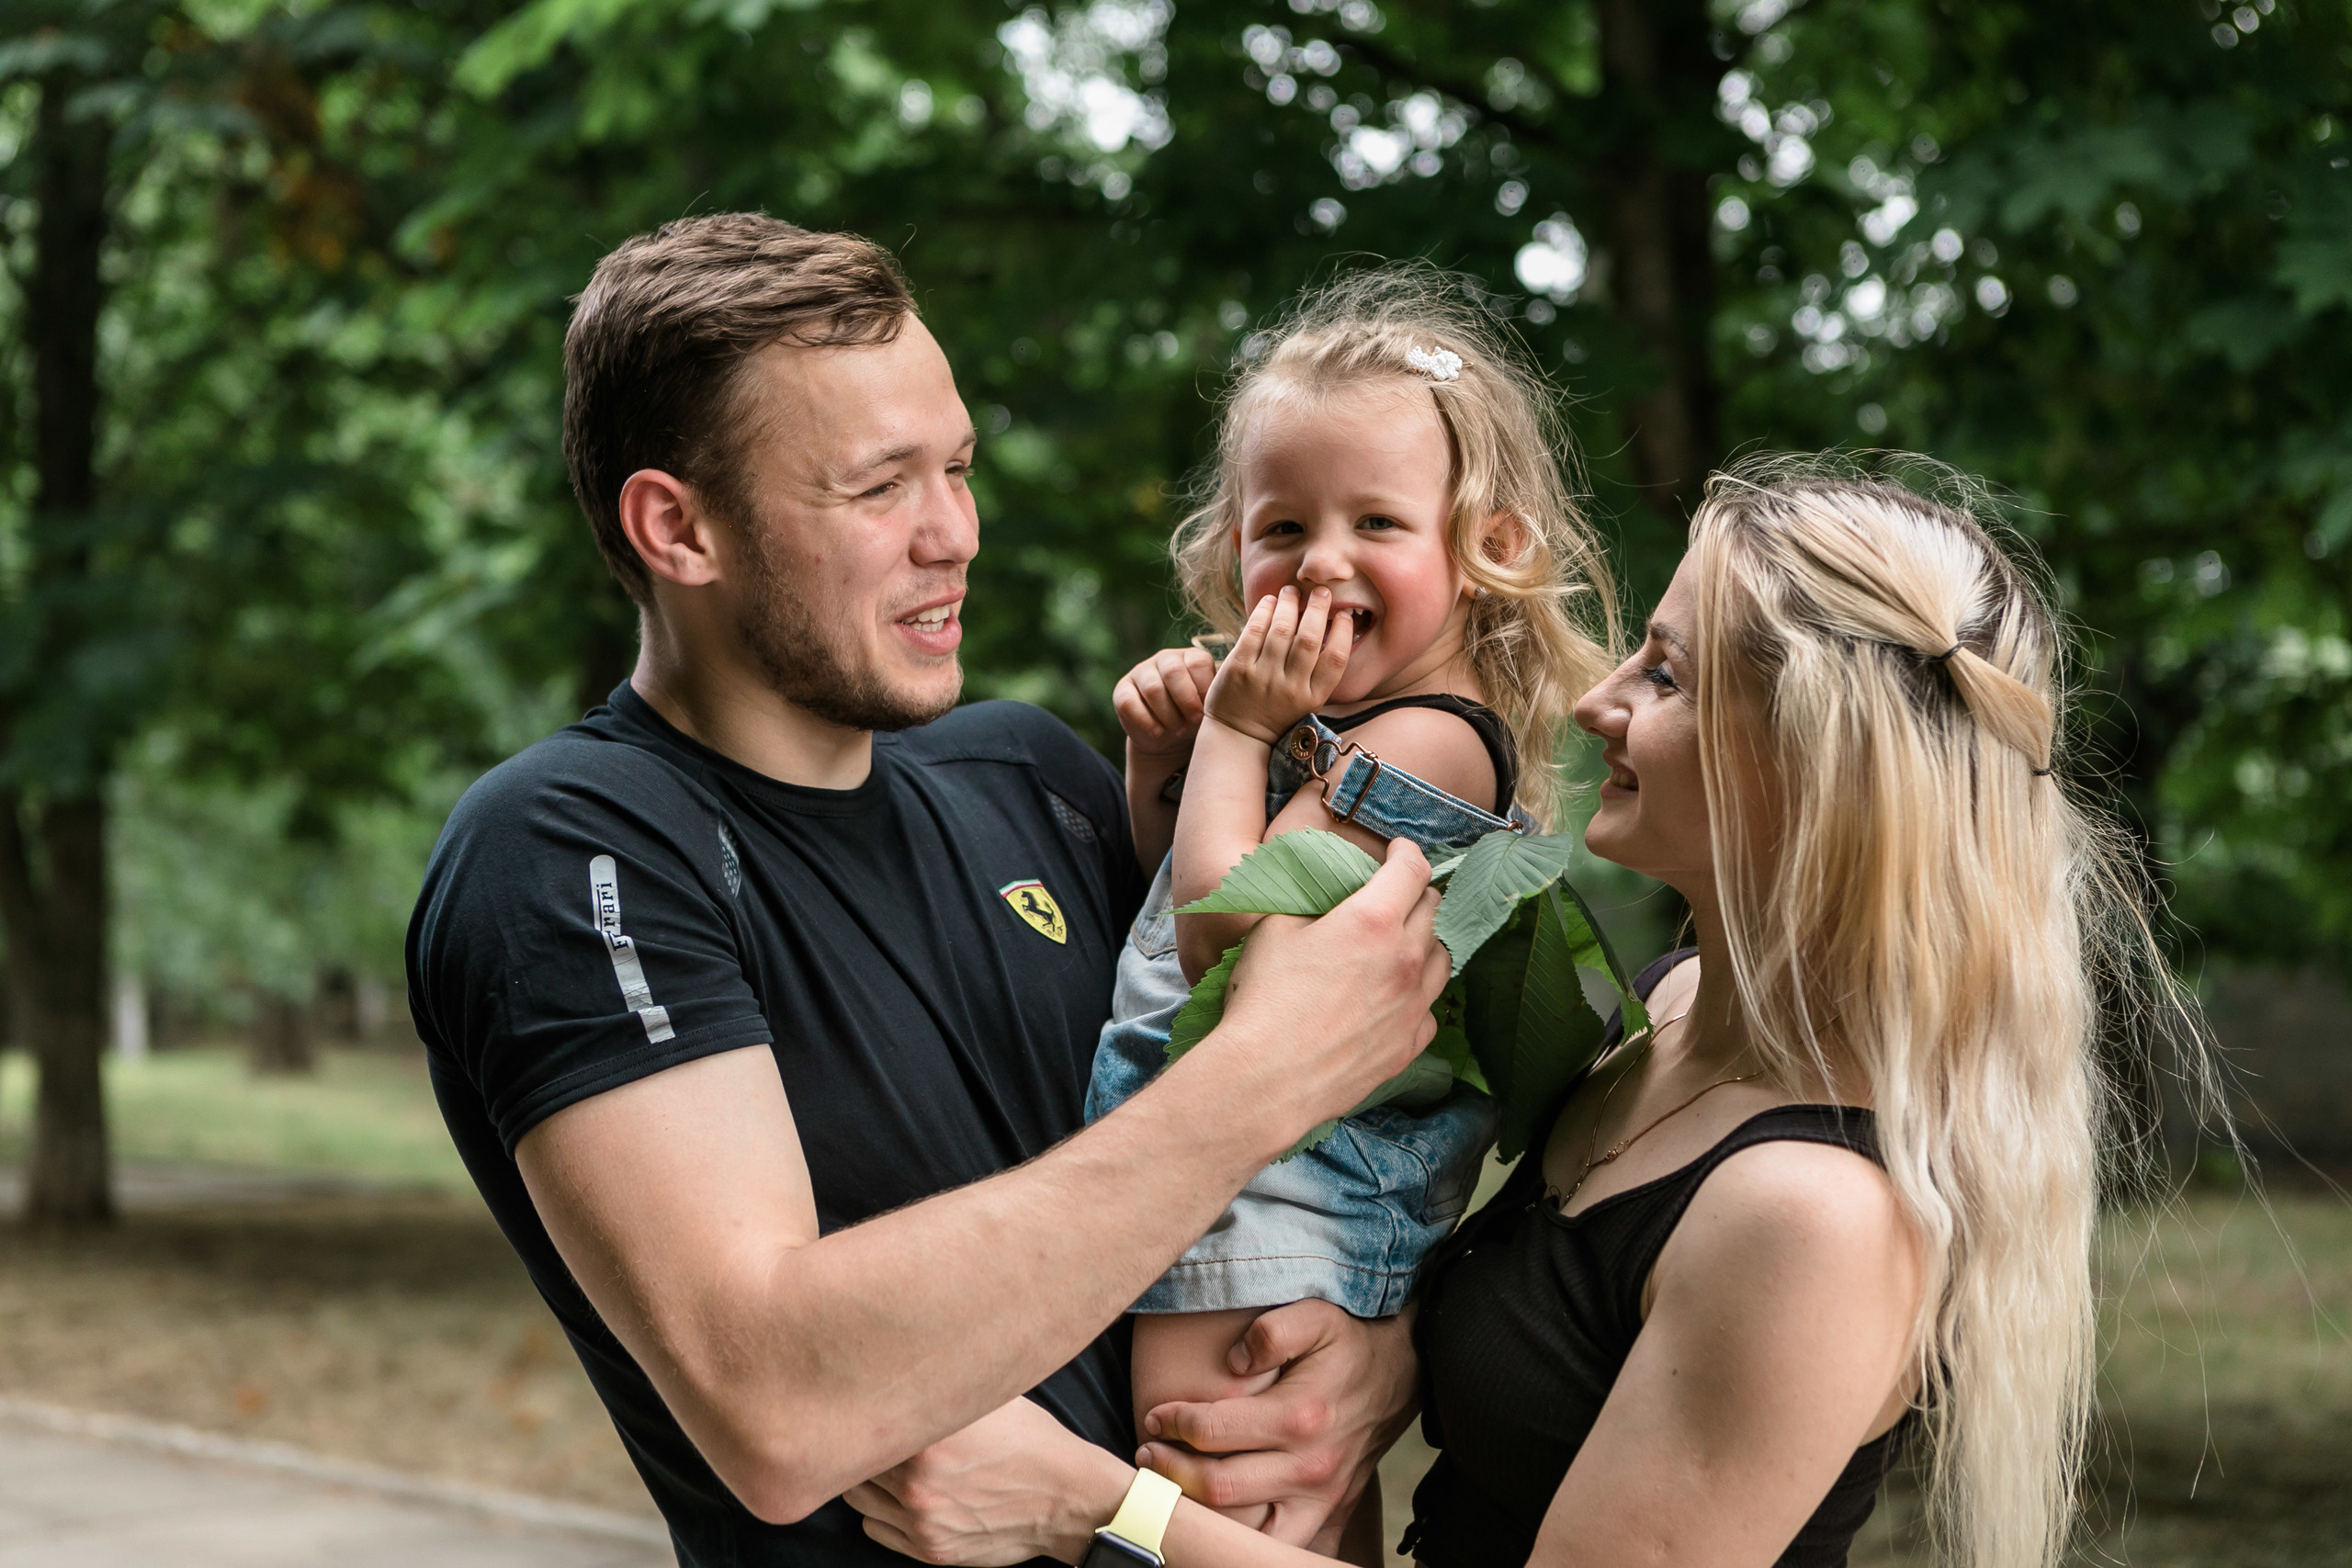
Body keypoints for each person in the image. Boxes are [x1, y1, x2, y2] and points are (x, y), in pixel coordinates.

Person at [846, 456, 2200, 1568]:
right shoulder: (1665, 1021)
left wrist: (1093, 1507)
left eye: (1663, 677)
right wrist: (1382, 1360)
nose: (1601, 701)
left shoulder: (1814, 1216)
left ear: (1803, 760)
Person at [404, 213, 1451, 1568]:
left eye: (958, 468)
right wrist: (1264, 1076)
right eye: (878, 486)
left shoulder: (1034, 774)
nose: (953, 533)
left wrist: (1385, 1356)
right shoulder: (573, 850)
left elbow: (1310, 1192)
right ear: (679, 527)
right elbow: (776, 1399)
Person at [1088, 271, 1614, 1551]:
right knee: (1280, 1519)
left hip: (1278, 1207)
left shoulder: (1433, 744)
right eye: (1283, 528)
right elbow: (1175, 902)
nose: (1322, 559)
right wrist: (1168, 767)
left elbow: (1228, 935)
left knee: (1220, 1511)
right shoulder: (1337, 742)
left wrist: (1235, 726)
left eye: (1376, 520)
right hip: (1256, 1189)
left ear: (1480, 550)